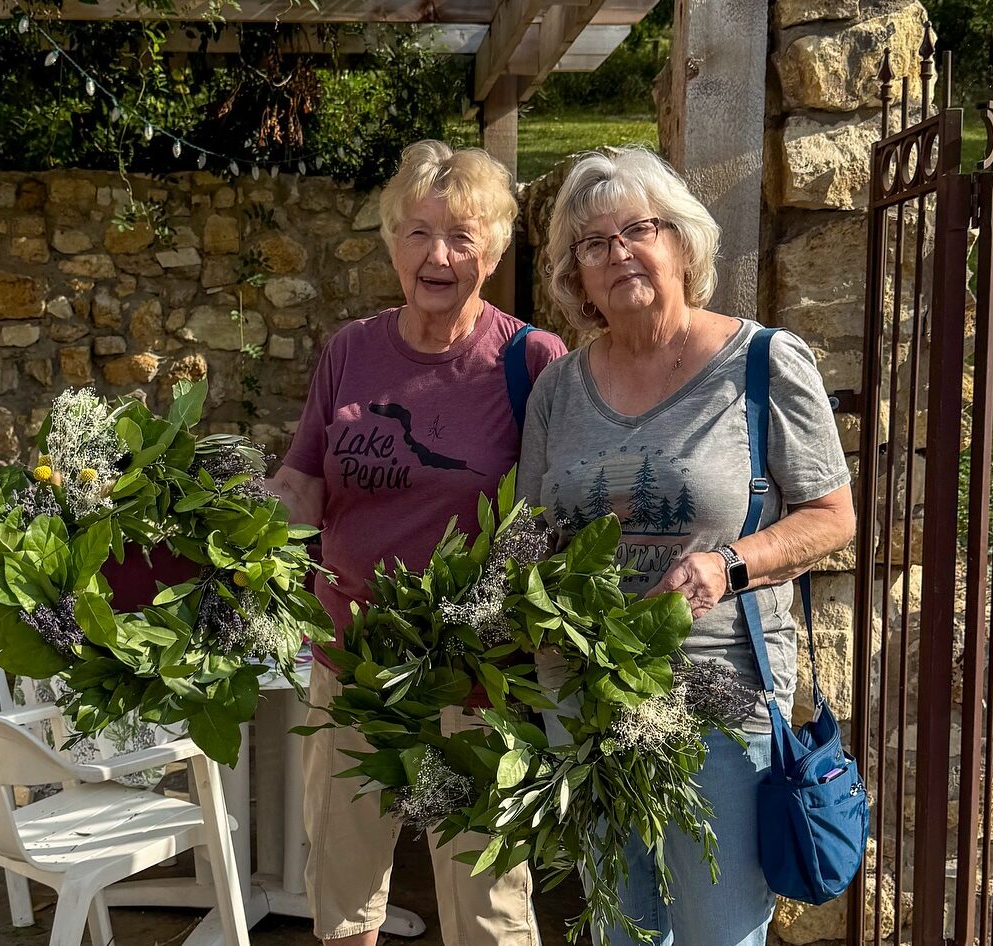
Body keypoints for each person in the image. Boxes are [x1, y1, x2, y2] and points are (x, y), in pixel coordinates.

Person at [517, 147, 855, 946]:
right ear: (576, 277)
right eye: (593, 245)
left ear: (681, 242)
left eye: (639, 229)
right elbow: (529, 531)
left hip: (718, 694)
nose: (619, 253)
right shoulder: (557, 389)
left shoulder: (763, 362)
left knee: (717, 930)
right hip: (588, 698)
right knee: (620, 929)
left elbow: (834, 515)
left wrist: (726, 565)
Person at [270, 139, 567, 946]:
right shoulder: (350, 352)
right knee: (343, 888)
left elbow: (562, 519)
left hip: (476, 678)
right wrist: (209, 526)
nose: (439, 256)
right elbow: (301, 486)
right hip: (350, 661)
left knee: (486, 904)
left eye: (463, 236)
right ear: (391, 242)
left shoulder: (531, 361)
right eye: (418, 233)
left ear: (497, 249)